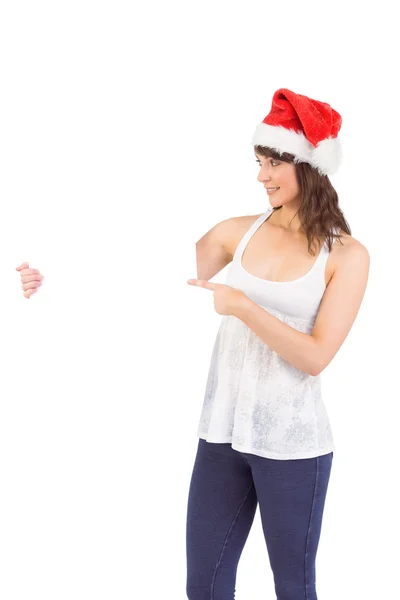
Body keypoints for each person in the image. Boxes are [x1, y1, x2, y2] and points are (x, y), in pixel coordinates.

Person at [186, 88, 370, 600]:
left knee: (293, 586)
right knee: (203, 585)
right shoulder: (235, 232)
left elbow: (316, 356)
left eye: (272, 163)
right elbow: (148, 273)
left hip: (293, 447)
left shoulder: (346, 256)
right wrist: (56, 274)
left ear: (308, 167)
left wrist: (244, 306)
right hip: (222, 435)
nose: (261, 175)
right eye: (258, 162)